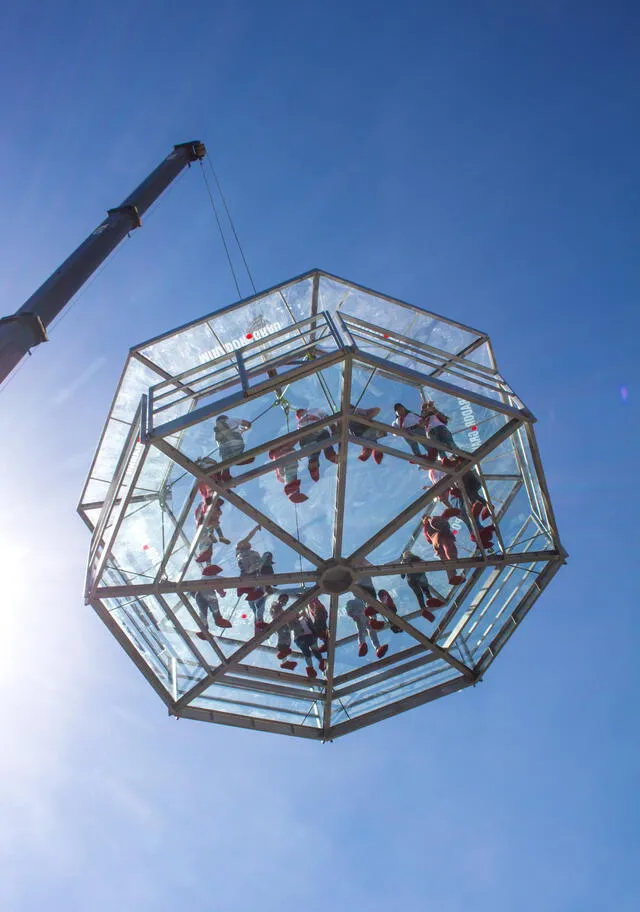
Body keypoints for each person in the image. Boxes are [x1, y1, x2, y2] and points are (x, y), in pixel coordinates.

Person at [236, 525, 268, 631]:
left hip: (255, 576)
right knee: (257, 598)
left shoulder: (253, 553)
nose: (250, 544)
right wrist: (255, 528)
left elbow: (260, 566)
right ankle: (257, 618)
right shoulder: (240, 547)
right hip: (248, 574)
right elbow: (249, 536)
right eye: (248, 543)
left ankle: (259, 620)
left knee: (260, 599)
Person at [422, 511, 466, 586]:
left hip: (435, 544)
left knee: (445, 560)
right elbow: (440, 523)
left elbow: (429, 540)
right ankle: (453, 561)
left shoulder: (425, 529)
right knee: (449, 549)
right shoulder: (432, 520)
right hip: (442, 535)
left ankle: (452, 577)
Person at [295, 407, 338, 482]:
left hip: (316, 432)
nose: (300, 415)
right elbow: (326, 417)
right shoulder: (300, 422)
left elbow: (326, 416)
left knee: (316, 450)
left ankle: (330, 456)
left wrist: (333, 427)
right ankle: (317, 464)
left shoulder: (313, 410)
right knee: (315, 449)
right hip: (311, 435)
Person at [400, 551, 444, 621]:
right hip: (419, 575)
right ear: (411, 553)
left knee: (419, 594)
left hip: (410, 579)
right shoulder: (416, 558)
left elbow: (402, 575)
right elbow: (424, 563)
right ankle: (430, 599)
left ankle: (423, 609)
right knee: (425, 588)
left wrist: (403, 573)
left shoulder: (403, 561)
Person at [290, 609, 326, 679]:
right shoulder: (293, 621)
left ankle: (320, 663)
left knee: (314, 649)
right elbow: (290, 626)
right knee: (307, 652)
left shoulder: (305, 618)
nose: (297, 614)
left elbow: (310, 622)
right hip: (300, 637)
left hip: (308, 635)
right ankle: (312, 668)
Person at [270, 593, 298, 671]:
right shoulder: (275, 605)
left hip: (284, 627)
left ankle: (284, 661)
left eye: (286, 601)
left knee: (286, 641)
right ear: (279, 599)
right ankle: (283, 658)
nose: (284, 602)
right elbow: (275, 613)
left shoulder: (280, 608)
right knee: (283, 639)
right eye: (283, 600)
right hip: (280, 626)